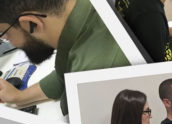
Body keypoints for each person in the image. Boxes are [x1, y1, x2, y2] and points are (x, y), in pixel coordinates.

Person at [0, 0, 130, 115]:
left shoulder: (93, 75)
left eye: (4, 34)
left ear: (30, 23)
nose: (7, 40)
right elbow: (63, 76)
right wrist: (19, 96)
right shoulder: (79, 15)